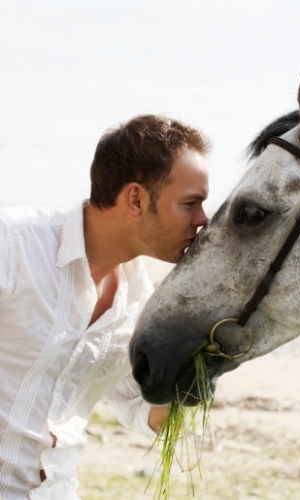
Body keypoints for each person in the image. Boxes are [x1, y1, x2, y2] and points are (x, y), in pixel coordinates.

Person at [0, 114, 210, 499]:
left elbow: (143, 413)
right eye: (190, 204)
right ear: (135, 199)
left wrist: (196, 374)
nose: (203, 220)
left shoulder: (140, 303)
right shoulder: (13, 246)